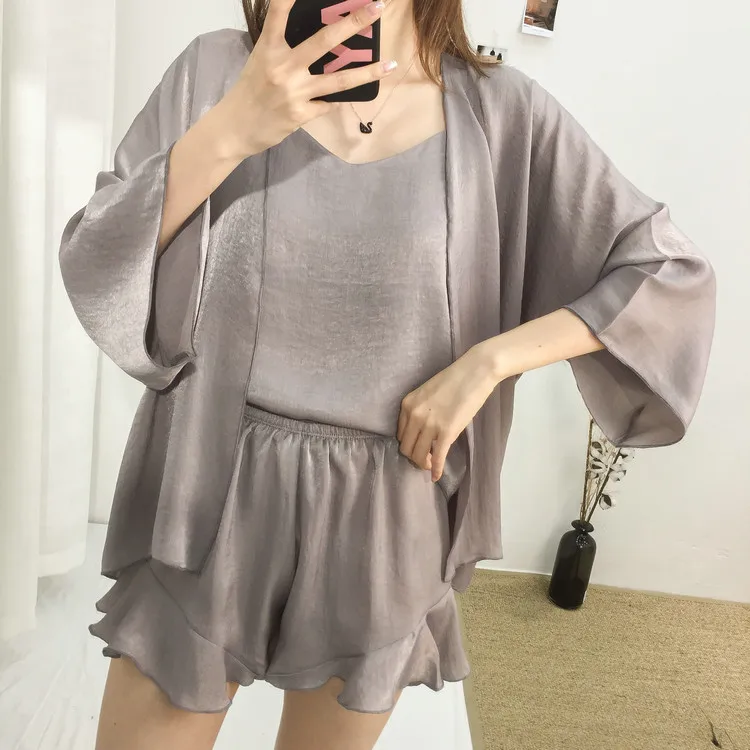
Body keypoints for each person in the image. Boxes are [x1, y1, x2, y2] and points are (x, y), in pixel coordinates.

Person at [58, 0, 716, 748]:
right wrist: (234, 126)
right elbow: (95, 254)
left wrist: (490, 361)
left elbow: (666, 271)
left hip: (386, 525)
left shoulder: (503, 116)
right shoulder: (216, 71)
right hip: (204, 498)